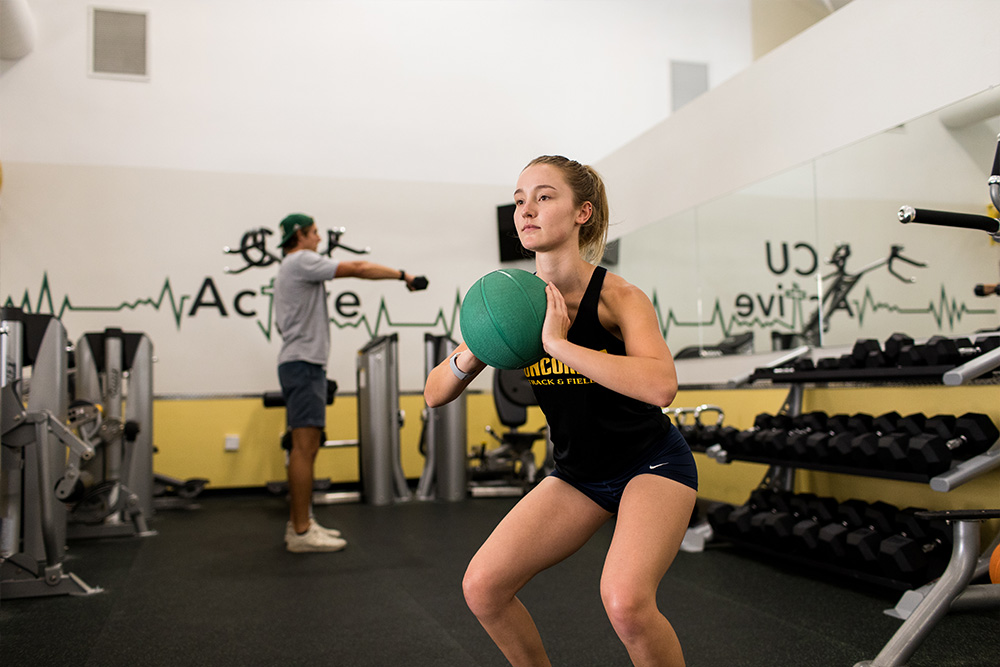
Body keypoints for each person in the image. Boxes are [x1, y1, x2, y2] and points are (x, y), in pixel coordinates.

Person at [424, 156, 698, 665]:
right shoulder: (514, 305)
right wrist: (480, 343)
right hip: (578, 475)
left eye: (544, 197)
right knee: (483, 588)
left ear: (582, 213)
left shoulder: (619, 297)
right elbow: (435, 392)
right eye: (519, 199)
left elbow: (661, 386)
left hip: (652, 464)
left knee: (626, 603)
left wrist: (559, 344)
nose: (526, 209)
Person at [275, 212, 425, 553]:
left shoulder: (290, 268)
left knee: (307, 446)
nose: (317, 239)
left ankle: (302, 523)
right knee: (304, 448)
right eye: (313, 232)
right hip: (302, 364)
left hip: (301, 363)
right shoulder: (301, 260)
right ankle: (300, 533)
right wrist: (404, 275)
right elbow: (358, 268)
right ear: (299, 235)